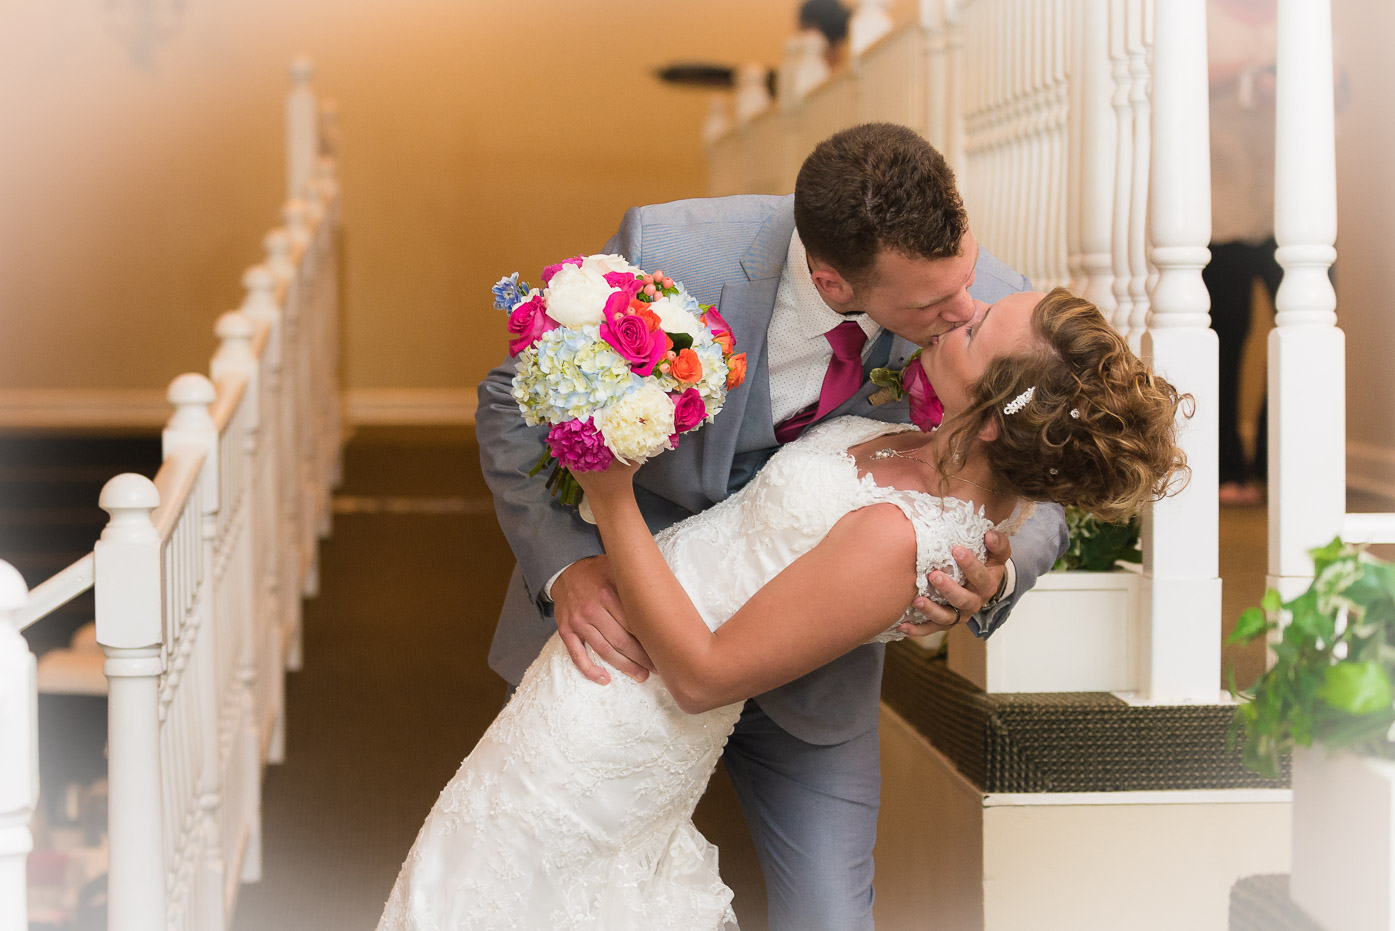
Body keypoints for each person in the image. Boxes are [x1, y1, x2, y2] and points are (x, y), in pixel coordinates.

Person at [377, 288, 1189, 930]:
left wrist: (612, 494)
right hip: (595, 680)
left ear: (988, 421)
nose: (963, 310)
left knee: (502, 884)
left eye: (977, 333)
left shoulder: (899, 538)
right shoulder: (913, 443)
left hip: (635, 706)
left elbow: (701, 675)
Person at [476, 122, 1070, 929]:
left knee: (829, 917)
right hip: (620, 643)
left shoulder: (984, 311)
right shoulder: (673, 250)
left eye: (965, 282)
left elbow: (1049, 478)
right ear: (832, 282)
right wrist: (565, 566)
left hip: (812, 678)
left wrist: (994, 568)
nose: (966, 307)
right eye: (933, 305)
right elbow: (513, 403)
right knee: (539, 892)